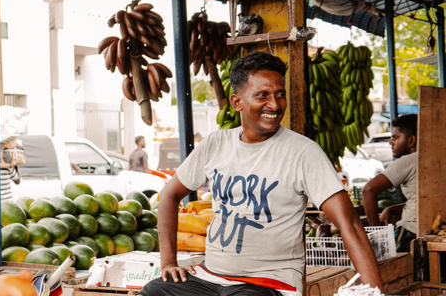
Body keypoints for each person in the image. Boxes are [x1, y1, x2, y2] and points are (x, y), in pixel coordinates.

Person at [138, 52, 383, 296]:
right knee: (151, 292)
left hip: (269, 283)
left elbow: (349, 223)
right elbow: (169, 196)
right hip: (209, 277)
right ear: (237, 102)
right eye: (262, 95)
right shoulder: (215, 144)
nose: (275, 105)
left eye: (280, 95)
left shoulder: (303, 152)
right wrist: (169, 262)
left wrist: (375, 291)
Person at [362, 114, 417, 252]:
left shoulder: (407, 161)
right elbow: (420, 201)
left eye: (396, 137)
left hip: (410, 234)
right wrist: (391, 209)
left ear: (411, 140)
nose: (391, 142)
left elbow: (368, 190)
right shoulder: (435, 158)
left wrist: (376, 233)